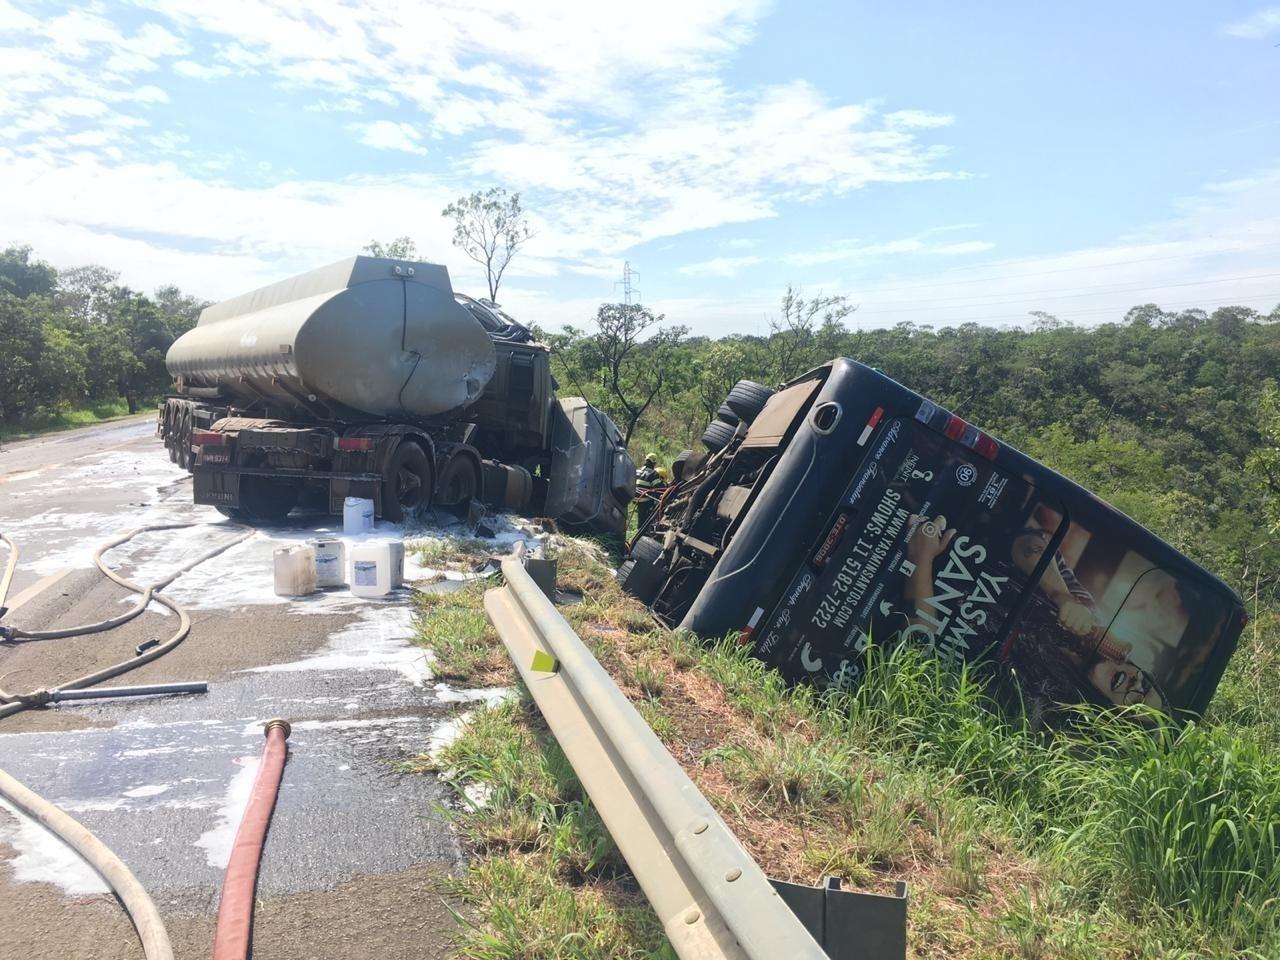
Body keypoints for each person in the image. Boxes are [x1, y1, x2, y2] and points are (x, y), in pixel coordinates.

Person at [634, 453, 665, 529]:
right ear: (654, 463)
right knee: (655, 502)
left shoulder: (637, 471)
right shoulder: (653, 474)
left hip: (636, 500)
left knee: (640, 520)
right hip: (645, 501)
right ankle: (647, 530)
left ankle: (639, 530)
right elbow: (659, 488)